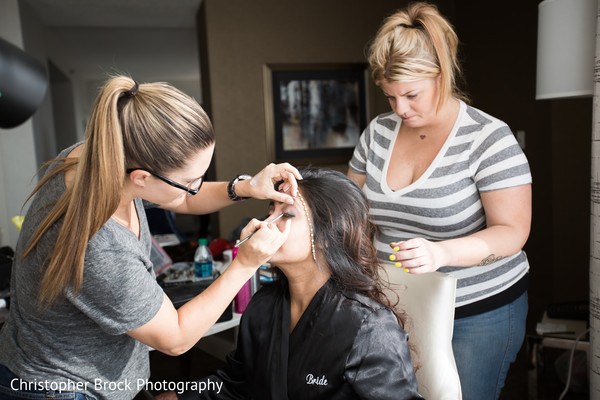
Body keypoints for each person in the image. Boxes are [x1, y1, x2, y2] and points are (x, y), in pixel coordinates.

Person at [0, 76, 302, 400]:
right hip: (59, 389)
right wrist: (245, 264)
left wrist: (244, 187)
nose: (197, 186)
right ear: (141, 178)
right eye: (191, 179)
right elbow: (176, 339)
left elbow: (183, 197)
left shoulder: (99, 156)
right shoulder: (101, 246)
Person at [347, 3, 532, 400]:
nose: (399, 109)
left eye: (411, 94)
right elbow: (350, 208)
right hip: (395, 303)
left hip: (478, 310)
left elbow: (513, 232)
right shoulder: (378, 133)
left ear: (441, 76)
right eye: (390, 96)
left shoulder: (488, 139)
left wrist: (440, 252)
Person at [167, 167, 422, 400]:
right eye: (270, 212)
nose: (266, 225)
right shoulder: (263, 304)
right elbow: (237, 384)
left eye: (286, 214)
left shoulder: (369, 327)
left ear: (327, 235)